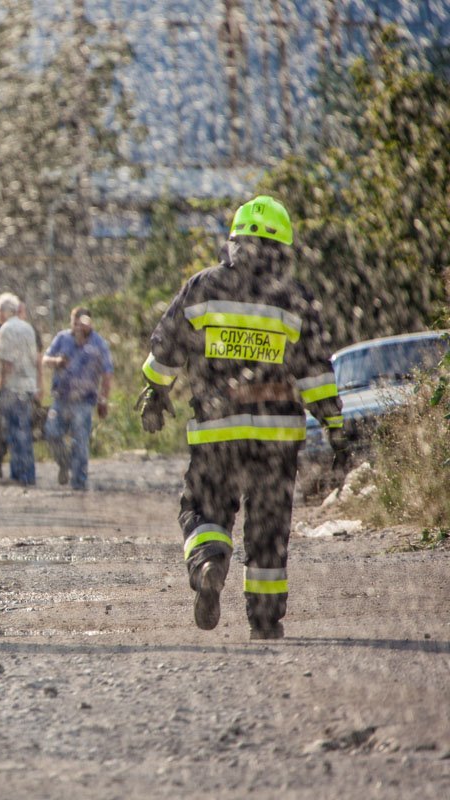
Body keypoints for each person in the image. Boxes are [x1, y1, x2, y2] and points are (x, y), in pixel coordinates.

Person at [138, 195, 345, 640]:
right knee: (269, 528)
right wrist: (335, 426)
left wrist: (156, 390)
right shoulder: (295, 298)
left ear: (233, 241)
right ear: (283, 249)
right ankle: (266, 621)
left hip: (218, 431)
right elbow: (315, 372)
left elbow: (167, 346)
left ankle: (208, 560)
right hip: (276, 439)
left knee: (203, 506)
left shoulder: (203, 287)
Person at [42, 307, 113, 490]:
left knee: (80, 441)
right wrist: (56, 362)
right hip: (61, 398)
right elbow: (45, 359)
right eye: (75, 323)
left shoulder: (98, 343)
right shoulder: (62, 338)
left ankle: (79, 483)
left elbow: (107, 373)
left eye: (82, 323)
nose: (78, 327)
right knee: (51, 433)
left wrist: (103, 399)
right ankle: (64, 462)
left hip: (84, 400)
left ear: (90, 323)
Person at [0, 293, 41, 485]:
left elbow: (7, 363)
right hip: (28, 386)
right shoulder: (28, 328)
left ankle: (18, 474)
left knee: (13, 433)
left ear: (4, 311)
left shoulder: (6, 329)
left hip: (12, 387)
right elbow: (34, 358)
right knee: (24, 431)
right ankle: (28, 474)